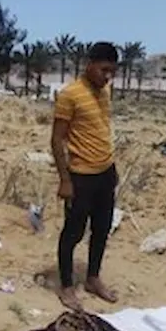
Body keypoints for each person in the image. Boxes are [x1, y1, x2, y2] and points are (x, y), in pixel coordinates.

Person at [51, 41, 120, 311]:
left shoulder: (105, 91)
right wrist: (65, 180)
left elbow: (101, 129)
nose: (107, 76)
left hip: (106, 172)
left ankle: (93, 278)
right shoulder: (70, 95)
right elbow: (57, 140)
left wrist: (112, 167)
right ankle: (66, 286)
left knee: (102, 229)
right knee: (73, 232)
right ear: (89, 64)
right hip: (80, 177)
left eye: (111, 71)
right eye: (103, 70)